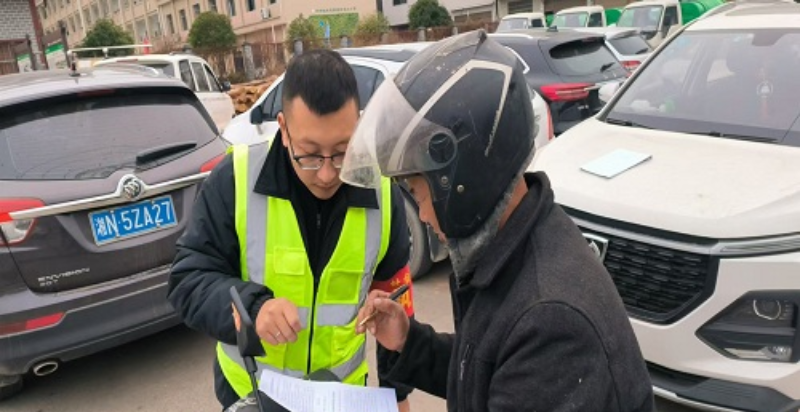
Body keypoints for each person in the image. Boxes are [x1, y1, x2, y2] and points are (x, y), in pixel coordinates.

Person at [341, 30, 656, 412]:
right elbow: (483, 368)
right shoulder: (514, 250)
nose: (421, 214)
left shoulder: (550, 325)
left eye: (418, 193)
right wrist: (408, 341)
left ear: (464, 181)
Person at [167, 49, 414, 411]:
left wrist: (399, 397)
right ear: (283, 129)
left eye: (342, 151)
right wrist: (253, 309)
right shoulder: (235, 179)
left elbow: (394, 305)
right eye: (309, 154)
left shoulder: (382, 193)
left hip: (342, 398)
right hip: (254, 395)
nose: (327, 174)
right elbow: (188, 279)